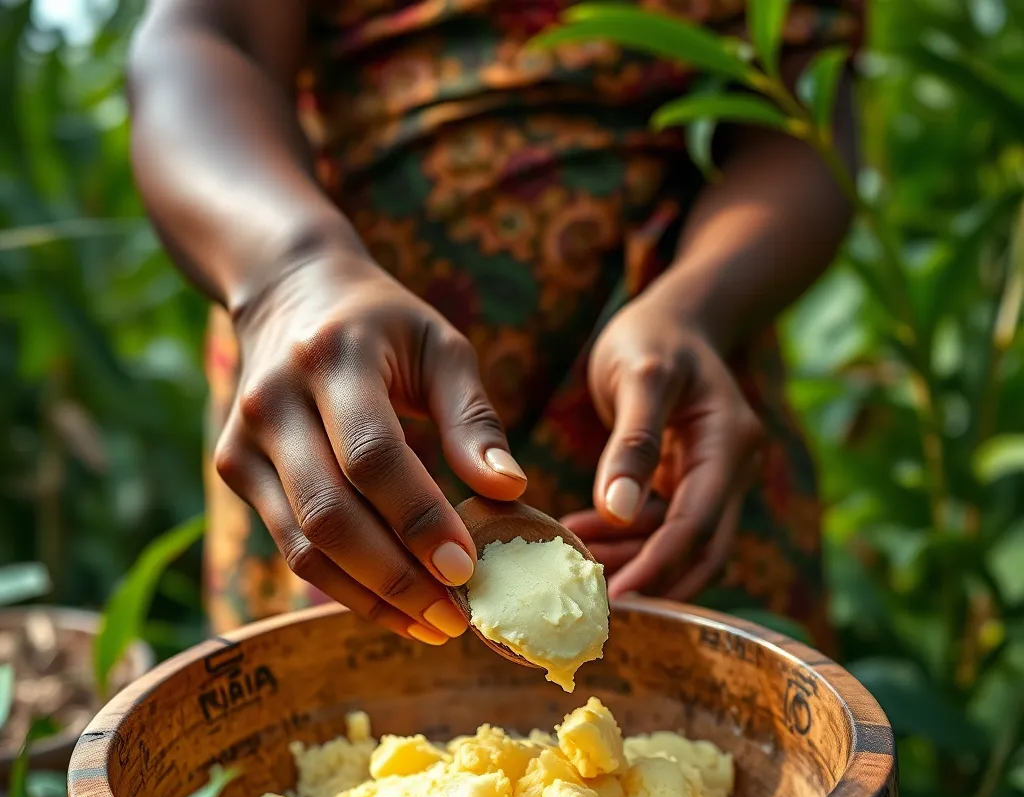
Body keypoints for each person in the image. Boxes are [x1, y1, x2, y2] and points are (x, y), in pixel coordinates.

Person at [127, 0, 862, 652]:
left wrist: (699, 306)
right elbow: (205, 37)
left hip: (670, 426)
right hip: (336, 396)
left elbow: (804, 107)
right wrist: (287, 277)